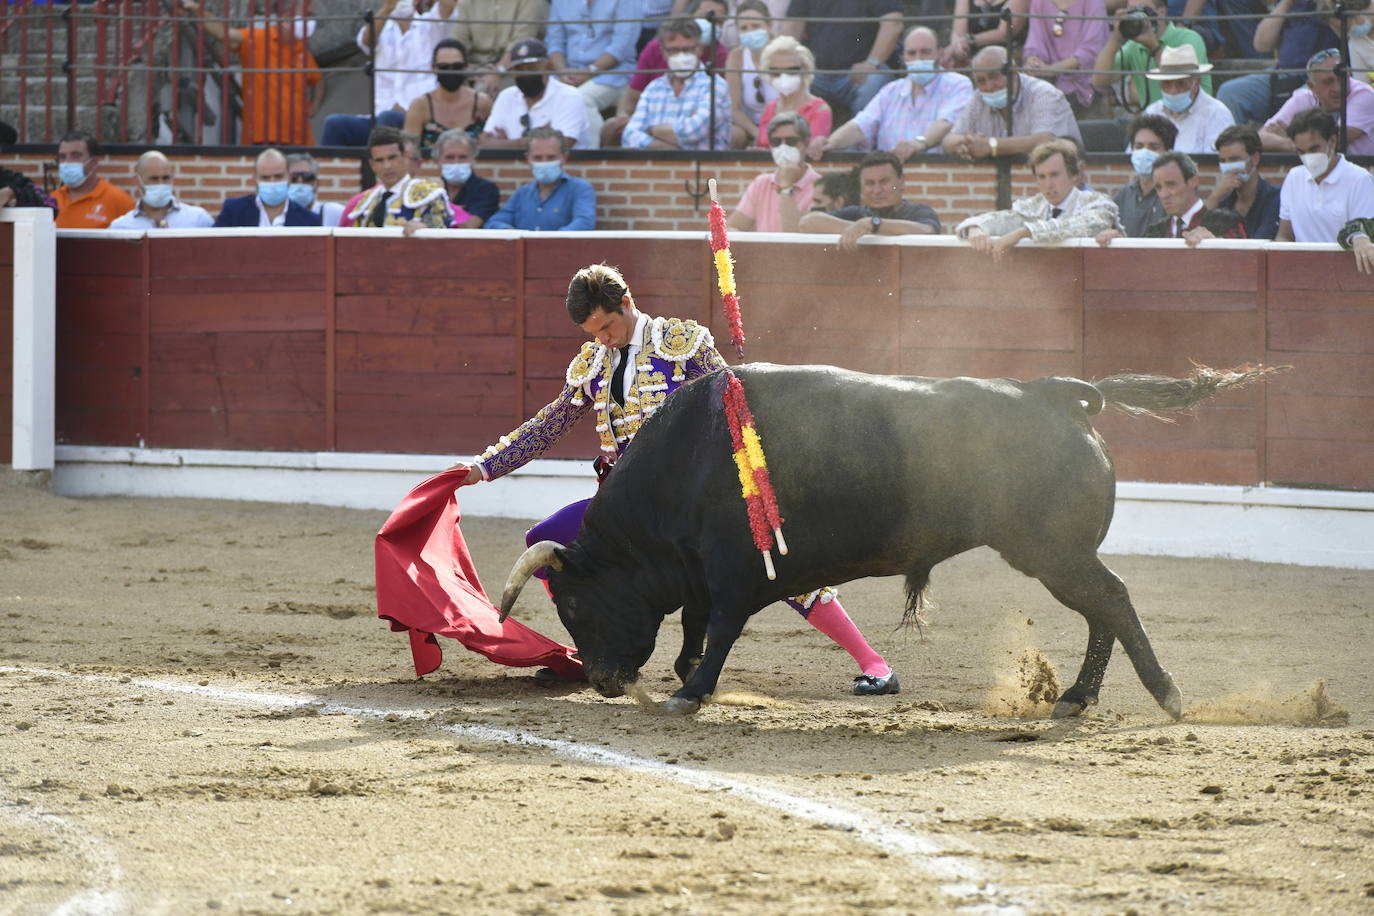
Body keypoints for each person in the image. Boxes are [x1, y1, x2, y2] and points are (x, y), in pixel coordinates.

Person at [455, 263, 900, 696]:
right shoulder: (592, 361)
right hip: (622, 512)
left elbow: (734, 410)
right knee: (550, 541)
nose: (603, 339)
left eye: (608, 327)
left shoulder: (681, 343)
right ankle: (595, 650)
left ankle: (873, 663)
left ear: (627, 302)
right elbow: (551, 423)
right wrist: (484, 466)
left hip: (690, 505)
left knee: (773, 564)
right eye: (593, 333)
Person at [815, 26, 973, 159]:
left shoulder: (958, 84)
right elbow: (861, 125)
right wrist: (829, 143)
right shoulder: (891, 91)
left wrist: (917, 144)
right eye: (911, 53)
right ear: (903, 57)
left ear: (939, 53)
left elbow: (946, 122)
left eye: (925, 52)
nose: (918, 58)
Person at [181, 0, 324, 146]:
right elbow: (223, 33)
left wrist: (315, 105)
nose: (311, 20)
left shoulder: (302, 50)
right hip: (263, 136)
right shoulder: (258, 39)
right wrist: (197, 10)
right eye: (307, 15)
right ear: (287, 15)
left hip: (299, 137)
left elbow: (317, 79)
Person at [319, 0, 458, 146]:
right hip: (379, 117)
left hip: (418, 120)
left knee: (389, 119)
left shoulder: (431, 25)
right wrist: (387, 9)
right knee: (334, 124)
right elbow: (366, 41)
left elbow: (448, 5)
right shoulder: (380, 27)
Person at [956, 139, 1120, 261]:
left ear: (1074, 175)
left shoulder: (1098, 203)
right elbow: (1003, 219)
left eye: (1055, 175)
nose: (1048, 184)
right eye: (1041, 176)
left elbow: (1082, 225)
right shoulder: (1035, 205)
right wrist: (976, 227)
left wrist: (1024, 232)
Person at [603, 0, 731, 147]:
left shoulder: (715, 86)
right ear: (663, 52)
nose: (682, 56)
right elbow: (630, 135)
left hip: (701, 168)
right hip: (656, 166)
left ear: (699, 49)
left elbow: (692, 133)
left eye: (688, 49)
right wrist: (660, 147)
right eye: (674, 50)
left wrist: (651, 130)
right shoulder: (654, 88)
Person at [943, 45, 1082, 161]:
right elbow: (948, 140)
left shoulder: (1044, 93)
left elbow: (1046, 140)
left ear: (1014, 73)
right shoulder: (978, 98)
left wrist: (991, 146)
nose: (989, 86)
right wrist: (965, 143)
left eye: (993, 76)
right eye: (981, 81)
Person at [1216, 0, 1342, 126]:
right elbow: (1261, 45)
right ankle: (1235, 144)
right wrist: (1286, 3)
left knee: (1304, 99)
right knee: (1230, 92)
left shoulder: (1337, 4)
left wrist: (1326, 10)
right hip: (1282, 73)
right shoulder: (1293, 4)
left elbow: (1351, 35)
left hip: (1324, 77)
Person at [779, 0, 903, 116]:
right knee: (787, 77)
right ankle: (794, 138)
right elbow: (792, 26)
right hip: (815, 73)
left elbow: (893, 24)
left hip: (861, 73)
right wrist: (792, 64)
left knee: (874, 82)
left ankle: (863, 137)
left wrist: (872, 62)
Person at [546, 0, 642, 149]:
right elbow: (554, 41)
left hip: (614, 73)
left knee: (581, 99)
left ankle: (595, 158)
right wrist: (562, 71)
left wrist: (590, 71)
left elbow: (622, 45)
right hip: (568, 71)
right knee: (541, 93)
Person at [798, 150, 941, 250]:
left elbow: (928, 232)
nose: (877, 190)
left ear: (901, 182)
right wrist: (858, 229)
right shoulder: (856, 214)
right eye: (869, 183)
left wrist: (874, 224)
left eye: (884, 182)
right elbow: (807, 223)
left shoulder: (918, 211)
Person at [1091, 0, 1212, 110]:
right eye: (1131, 11)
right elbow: (1099, 80)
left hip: (1195, 115)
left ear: (1162, 12)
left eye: (1143, 10)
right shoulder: (1134, 46)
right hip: (1155, 122)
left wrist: (1153, 47)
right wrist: (1115, 38)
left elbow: (1178, 81)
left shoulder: (1188, 38)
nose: (1136, 16)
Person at [1276, 108, 1374, 242]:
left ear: (1332, 141)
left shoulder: (1359, 179)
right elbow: (1284, 236)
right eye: (1301, 152)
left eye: (1314, 149)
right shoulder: (1294, 177)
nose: (1308, 157)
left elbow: (1364, 237)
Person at [1261, 48, 1374, 157]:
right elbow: (1260, 138)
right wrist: (1290, 144)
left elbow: (1336, 142)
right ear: (1312, 87)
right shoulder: (1303, 97)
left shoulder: (1364, 94)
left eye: (1342, 79)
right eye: (1327, 82)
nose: (1337, 88)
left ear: (1349, 76)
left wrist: (1290, 138)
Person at [481, 37, 591, 148]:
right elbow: (484, 143)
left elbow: (559, 146)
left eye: (531, 69)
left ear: (549, 67)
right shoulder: (506, 96)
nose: (526, 75)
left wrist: (506, 144)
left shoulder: (569, 96)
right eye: (519, 70)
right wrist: (532, 141)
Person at [340, 127, 457, 230]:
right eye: (379, 160)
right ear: (372, 165)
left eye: (392, 158)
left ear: (404, 157)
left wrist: (425, 230)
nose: (387, 166)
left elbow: (443, 240)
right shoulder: (365, 202)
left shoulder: (429, 195)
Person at [485, 126, 596, 230]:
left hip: (562, 250)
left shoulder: (580, 189)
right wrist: (510, 232)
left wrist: (546, 242)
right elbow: (494, 223)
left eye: (551, 157)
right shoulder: (522, 193)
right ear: (528, 159)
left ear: (564, 157)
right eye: (538, 158)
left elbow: (584, 223)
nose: (544, 162)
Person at [727, 111, 820, 232]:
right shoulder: (761, 183)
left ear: (806, 143)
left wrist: (786, 185)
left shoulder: (820, 185)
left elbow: (796, 239)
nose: (783, 147)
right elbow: (733, 226)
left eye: (791, 141)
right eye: (776, 142)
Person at [1128, 151, 1245, 243]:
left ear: (1192, 182)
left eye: (1171, 184)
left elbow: (1244, 264)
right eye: (1158, 187)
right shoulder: (1154, 231)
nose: (1163, 194)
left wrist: (1215, 246)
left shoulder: (1226, 222)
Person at [1021, 0, 1112, 117]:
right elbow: (1035, 42)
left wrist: (1051, 69)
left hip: (1086, 85)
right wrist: (1032, 60)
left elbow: (1091, 51)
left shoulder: (1093, 3)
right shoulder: (1039, 2)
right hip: (1048, 83)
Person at [1139, 44, 1232, 154]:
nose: (1173, 91)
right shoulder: (1152, 112)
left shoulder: (1216, 114)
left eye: (1180, 83)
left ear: (1196, 83)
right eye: (1166, 84)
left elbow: (1214, 165)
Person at [404, 39, 493, 150]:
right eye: (444, 67)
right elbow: (409, 152)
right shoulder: (420, 106)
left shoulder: (481, 103)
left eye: (457, 67)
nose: (450, 72)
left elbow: (491, 143)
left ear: (465, 67)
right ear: (433, 68)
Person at [1100, 113, 1176, 241]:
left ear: (1168, 152)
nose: (1144, 152)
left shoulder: (1174, 196)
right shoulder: (1123, 195)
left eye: (1153, 147)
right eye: (1139, 146)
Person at [454, 0, 550, 96]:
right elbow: (458, 45)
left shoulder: (530, 2)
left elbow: (519, 47)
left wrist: (497, 73)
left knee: (485, 90)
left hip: (512, 69)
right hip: (473, 69)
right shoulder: (466, 3)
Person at [753, 36, 832, 150]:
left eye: (791, 70)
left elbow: (811, 153)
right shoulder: (769, 109)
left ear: (805, 69)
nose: (784, 76)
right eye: (776, 72)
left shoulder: (819, 110)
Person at [1205, 124, 1281, 240]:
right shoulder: (1222, 201)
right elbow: (1197, 233)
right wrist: (1214, 196)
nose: (1228, 166)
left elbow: (1260, 242)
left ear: (1255, 159)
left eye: (1234, 159)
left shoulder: (1275, 198)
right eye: (1223, 161)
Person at [213, 148, 323, 227]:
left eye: (278, 176)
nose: (272, 182)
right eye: (265, 177)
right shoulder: (234, 211)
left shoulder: (310, 220)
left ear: (289, 176)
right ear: (255, 178)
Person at [109, 150, 214, 229]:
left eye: (166, 178)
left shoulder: (198, 219)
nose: (161, 184)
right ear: (137, 181)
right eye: (154, 179)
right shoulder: (120, 227)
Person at [52, 131, 135, 229]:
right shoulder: (52, 200)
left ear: (94, 162)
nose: (67, 162)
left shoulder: (119, 200)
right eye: (62, 157)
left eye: (76, 155)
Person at [725, 0, 779, 148]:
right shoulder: (736, 56)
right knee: (733, 134)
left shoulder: (785, 51)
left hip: (783, 122)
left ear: (769, 26)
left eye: (755, 26)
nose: (750, 32)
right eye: (744, 28)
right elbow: (733, 108)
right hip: (751, 125)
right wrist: (757, 133)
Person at [433, 129, 501, 225]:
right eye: (449, 157)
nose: (456, 163)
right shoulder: (430, 188)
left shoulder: (486, 189)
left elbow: (470, 225)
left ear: (473, 160)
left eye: (462, 157)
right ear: (438, 160)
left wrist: (439, 201)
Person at [942, 0, 1029, 70]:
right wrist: (957, 47)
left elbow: (1003, 34)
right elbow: (958, 33)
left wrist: (968, 40)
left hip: (1004, 60)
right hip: (969, 58)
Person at [285, 152, 345, 228]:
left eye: (307, 177)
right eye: (293, 177)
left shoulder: (333, 212)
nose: (299, 182)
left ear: (316, 184)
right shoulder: (277, 216)